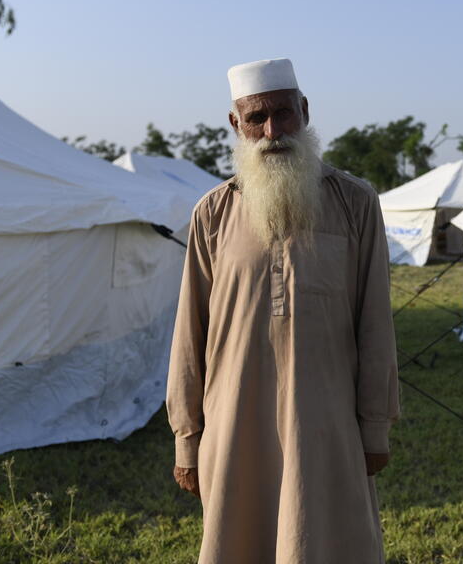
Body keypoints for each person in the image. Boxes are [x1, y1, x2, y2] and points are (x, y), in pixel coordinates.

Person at [166, 57, 399, 564]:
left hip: (327, 425)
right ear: (236, 124)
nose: (272, 131)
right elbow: (190, 334)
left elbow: (375, 325)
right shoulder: (212, 213)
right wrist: (188, 441)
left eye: (284, 114)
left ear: (305, 111)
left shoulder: (356, 203)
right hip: (234, 429)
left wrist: (374, 427)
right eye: (257, 118)